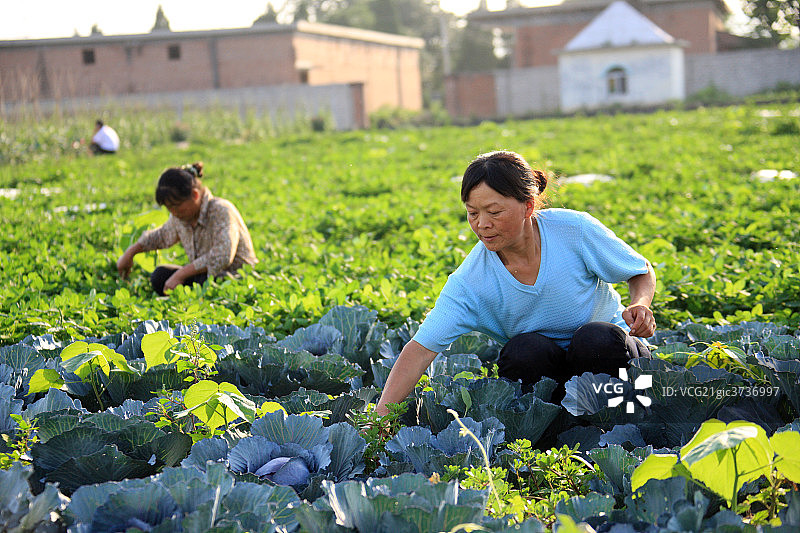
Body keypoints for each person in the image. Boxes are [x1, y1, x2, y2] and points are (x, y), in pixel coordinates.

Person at [375, 150, 656, 416]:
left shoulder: (573, 230)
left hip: (615, 363)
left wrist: (640, 304)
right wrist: (379, 421)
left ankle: (628, 419)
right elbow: (420, 351)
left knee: (594, 339)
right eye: (473, 213)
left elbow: (639, 270)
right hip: (554, 378)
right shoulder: (472, 281)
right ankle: (560, 429)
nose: (482, 224)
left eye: (494, 212)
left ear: (528, 206)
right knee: (523, 351)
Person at [116, 162, 258, 295]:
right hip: (203, 278)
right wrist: (131, 252)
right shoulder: (181, 217)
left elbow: (223, 255)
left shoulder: (221, 210)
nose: (173, 213)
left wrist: (181, 274)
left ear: (195, 195)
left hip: (233, 277)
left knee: (202, 281)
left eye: (176, 206)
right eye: (169, 208)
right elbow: (162, 236)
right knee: (160, 276)